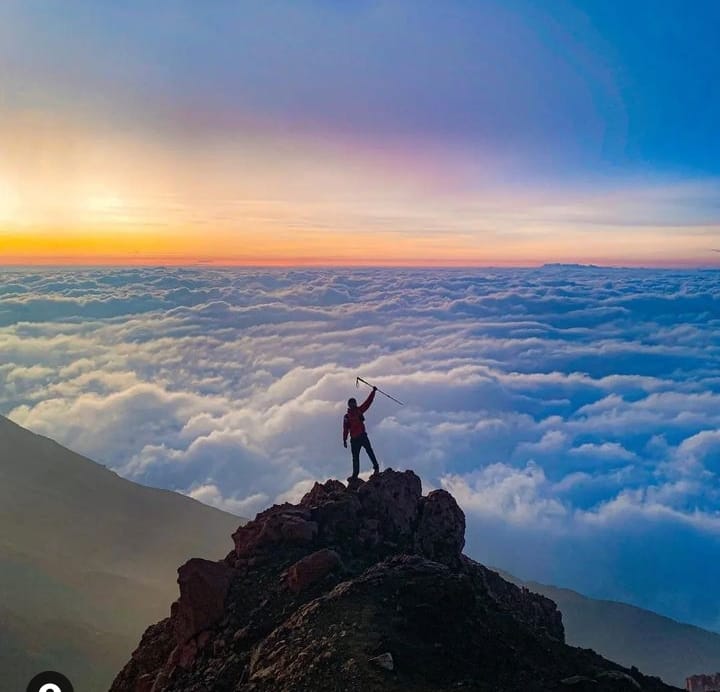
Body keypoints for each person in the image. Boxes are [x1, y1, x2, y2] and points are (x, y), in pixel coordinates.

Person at [343, 386, 380, 480]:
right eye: (351, 404)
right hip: (357, 438)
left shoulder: (356, 412)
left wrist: (373, 392)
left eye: (353, 403)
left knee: (365, 453)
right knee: (359, 455)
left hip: (360, 437)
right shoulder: (350, 415)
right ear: (350, 405)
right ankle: (356, 474)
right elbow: (345, 428)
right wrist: (344, 439)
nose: (352, 405)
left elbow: (368, 402)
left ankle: (374, 468)